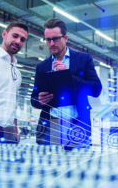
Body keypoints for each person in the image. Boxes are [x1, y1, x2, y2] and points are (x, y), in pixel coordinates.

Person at [31, 18, 102, 149]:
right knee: (49, 166)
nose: (52, 43)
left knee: (78, 164)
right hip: (51, 126)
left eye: (56, 39)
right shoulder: (42, 66)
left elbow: (96, 89)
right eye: (48, 40)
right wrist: (39, 100)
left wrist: (69, 75)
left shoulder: (83, 59)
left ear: (66, 38)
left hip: (77, 124)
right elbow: (33, 98)